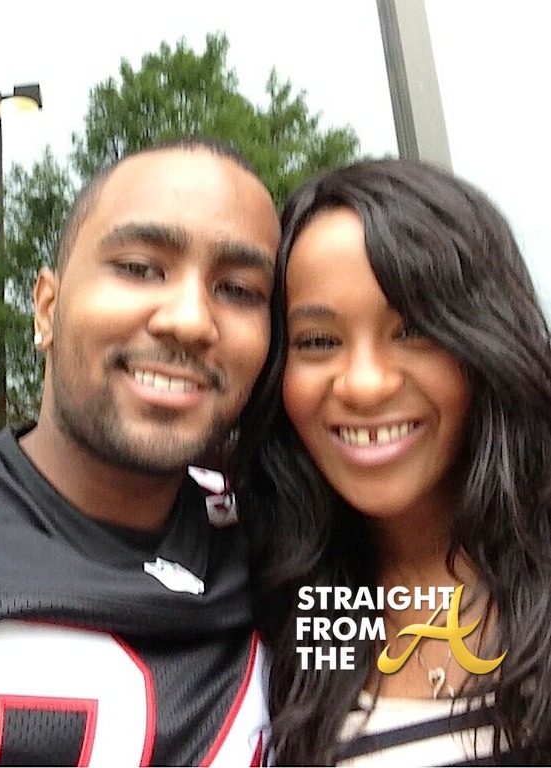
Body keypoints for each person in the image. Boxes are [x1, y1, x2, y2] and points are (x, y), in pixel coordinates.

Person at [0, 137, 280, 766]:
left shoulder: (292, 547)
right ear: (47, 308)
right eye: (140, 268)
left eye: (238, 290)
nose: (189, 320)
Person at [235, 158, 551, 765]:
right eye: (318, 341)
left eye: (412, 332)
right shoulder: (287, 609)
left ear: (486, 341)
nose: (364, 385)